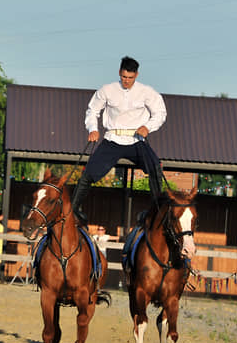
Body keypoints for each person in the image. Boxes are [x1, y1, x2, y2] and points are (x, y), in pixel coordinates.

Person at [70, 56, 167, 228]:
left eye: (130, 77)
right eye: (124, 77)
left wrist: (148, 127)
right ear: (119, 73)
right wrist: (93, 128)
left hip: (136, 139)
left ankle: (156, 211)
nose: (126, 81)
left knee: (154, 167)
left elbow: (160, 113)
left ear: (136, 75)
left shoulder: (147, 92)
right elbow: (92, 111)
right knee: (89, 172)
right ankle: (73, 210)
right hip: (112, 138)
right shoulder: (107, 90)